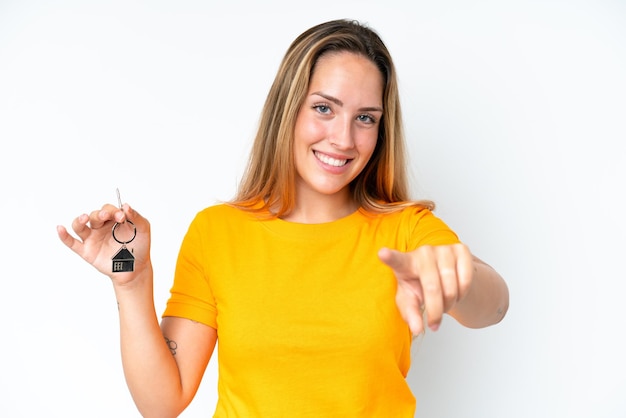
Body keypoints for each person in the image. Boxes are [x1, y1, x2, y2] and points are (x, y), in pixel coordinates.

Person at [57, 18, 509, 417]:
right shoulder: (218, 232)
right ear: (287, 109)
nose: (343, 139)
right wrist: (130, 281)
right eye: (324, 108)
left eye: (366, 118)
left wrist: (456, 278)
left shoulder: (405, 229)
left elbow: (495, 306)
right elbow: (163, 403)